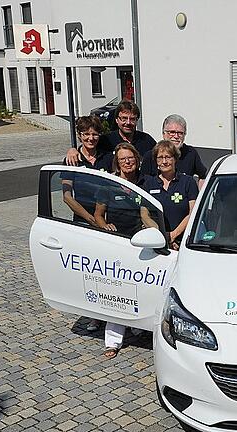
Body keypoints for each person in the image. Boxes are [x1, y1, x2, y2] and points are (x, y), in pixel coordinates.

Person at [94, 142, 159, 358]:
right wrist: (105, 226)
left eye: (131, 158)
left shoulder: (147, 181)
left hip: (143, 243)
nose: (128, 162)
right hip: (117, 244)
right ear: (117, 162)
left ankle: (139, 327)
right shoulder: (109, 185)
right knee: (116, 291)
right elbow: (98, 214)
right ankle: (112, 341)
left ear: (137, 159)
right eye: (123, 159)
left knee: (140, 286)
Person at [60, 116, 113, 333]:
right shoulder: (72, 160)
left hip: (107, 220)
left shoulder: (106, 157)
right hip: (84, 221)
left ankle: (111, 312)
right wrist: (91, 219)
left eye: (94, 134)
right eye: (86, 134)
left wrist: (102, 220)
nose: (91, 138)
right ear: (80, 136)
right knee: (89, 272)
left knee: (108, 270)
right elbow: (67, 196)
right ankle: (93, 315)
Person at [143, 140, 199, 250]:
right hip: (157, 242)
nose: (164, 161)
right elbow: (144, 214)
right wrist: (161, 235)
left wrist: (173, 235)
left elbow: (192, 213)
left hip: (183, 242)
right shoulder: (149, 184)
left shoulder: (188, 182)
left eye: (168, 157)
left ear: (175, 159)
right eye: (160, 157)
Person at [65, 100, 157, 165]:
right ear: (117, 120)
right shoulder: (106, 140)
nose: (128, 123)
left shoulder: (146, 140)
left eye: (132, 119)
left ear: (137, 120)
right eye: (124, 118)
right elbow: (89, 145)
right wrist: (73, 150)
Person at [142, 114, 208, 188]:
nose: (176, 136)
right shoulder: (150, 155)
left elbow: (203, 176)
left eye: (180, 133)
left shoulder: (191, 153)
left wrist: (199, 196)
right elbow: (144, 182)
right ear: (163, 134)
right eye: (172, 132)